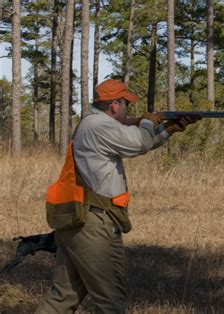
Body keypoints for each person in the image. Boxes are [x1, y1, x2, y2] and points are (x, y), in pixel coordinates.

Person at [36, 79, 198, 313]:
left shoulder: (94, 124)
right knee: (110, 302)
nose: (126, 109)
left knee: (62, 297)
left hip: (80, 221)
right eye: (125, 104)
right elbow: (140, 142)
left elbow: (139, 143)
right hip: (95, 224)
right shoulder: (99, 126)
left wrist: (168, 130)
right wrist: (146, 121)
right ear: (114, 106)